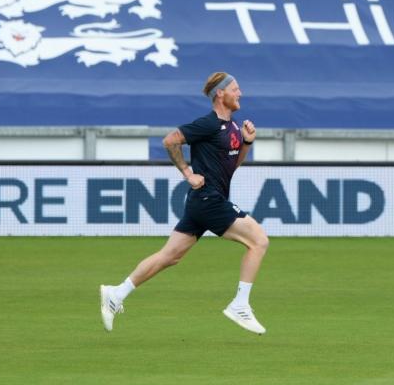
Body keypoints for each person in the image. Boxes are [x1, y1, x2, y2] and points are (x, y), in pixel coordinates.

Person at [100, 72, 270, 335]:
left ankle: (116, 293)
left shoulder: (234, 127)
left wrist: (247, 142)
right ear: (220, 94)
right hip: (208, 199)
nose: (240, 93)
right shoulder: (208, 124)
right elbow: (170, 140)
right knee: (259, 241)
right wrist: (188, 173)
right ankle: (240, 305)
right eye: (235, 89)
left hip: (204, 202)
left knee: (170, 256)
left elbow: (231, 166)